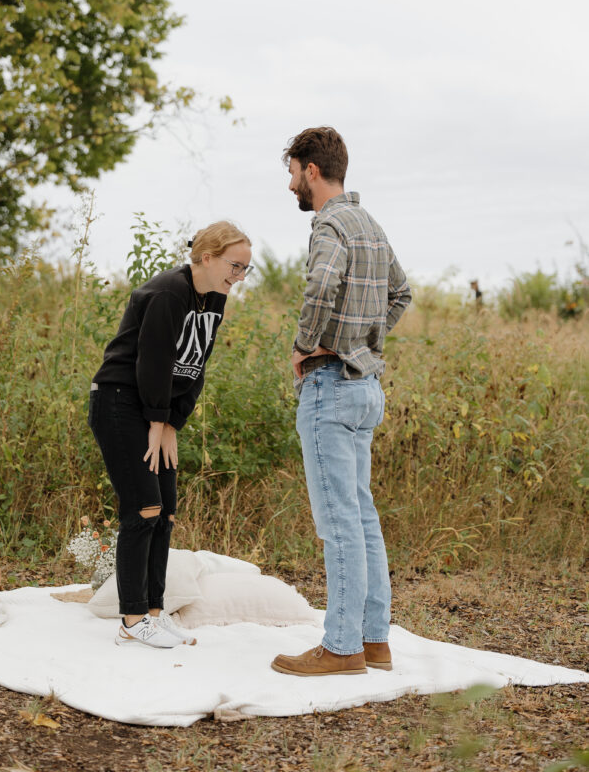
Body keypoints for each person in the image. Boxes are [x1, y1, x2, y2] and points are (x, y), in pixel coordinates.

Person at [271, 127, 411, 677]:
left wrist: (308, 346)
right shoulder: (370, 225)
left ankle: (342, 647)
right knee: (362, 515)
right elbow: (401, 292)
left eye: (292, 172)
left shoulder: (329, 223)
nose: (290, 185)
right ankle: (374, 640)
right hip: (366, 387)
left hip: (332, 386)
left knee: (339, 523)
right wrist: (365, 342)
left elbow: (321, 285)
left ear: (311, 169)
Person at [88, 221, 253, 648]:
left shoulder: (214, 298)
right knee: (143, 508)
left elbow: (196, 365)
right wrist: (157, 424)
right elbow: (154, 361)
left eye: (245, 269)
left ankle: (154, 614)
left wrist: (173, 423)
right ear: (206, 257)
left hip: (156, 409)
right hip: (121, 401)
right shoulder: (169, 292)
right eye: (234, 266)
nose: (238, 276)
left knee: (166, 512)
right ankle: (131, 618)